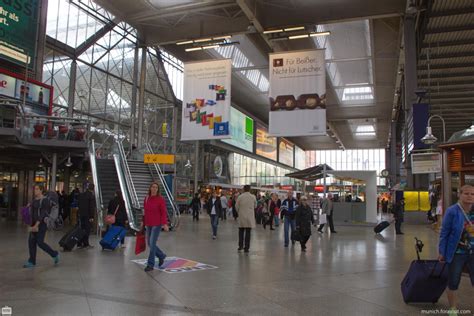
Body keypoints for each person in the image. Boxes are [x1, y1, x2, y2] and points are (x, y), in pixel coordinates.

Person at [438, 185, 474, 314]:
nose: (470, 196)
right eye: (467, 193)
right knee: (453, 280)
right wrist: (442, 251)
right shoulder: (453, 211)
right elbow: (444, 232)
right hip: (457, 252)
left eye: (472, 194)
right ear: (460, 194)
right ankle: (453, 308)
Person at [23, 185, 60, 268]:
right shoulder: (34, 201)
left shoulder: (45, 200)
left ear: (41, 190)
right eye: (34, 189)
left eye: (37, 189)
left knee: (40, 242)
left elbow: (43, 214)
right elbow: (32, 213)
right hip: (33, 224)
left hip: (41, 224)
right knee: (31, 242)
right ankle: (32, 261)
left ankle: (54, 254)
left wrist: (36, 225)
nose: (35, 191)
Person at [143, 182, 169, 272]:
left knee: (152, 244)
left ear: (158, 189)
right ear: (150, 188)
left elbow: (163, 212)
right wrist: (143, 223)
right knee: (150, 244)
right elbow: (145, 212)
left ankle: (150, 264)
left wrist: (164, 224)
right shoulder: (146, 198)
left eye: (156, 187)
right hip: (148, 224)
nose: (154, 189)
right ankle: (161, 255)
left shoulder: (160, 199)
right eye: (153, 187)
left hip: (156, 224)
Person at [236, 185, 256, 253]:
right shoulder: (253, 197)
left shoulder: (240, 197)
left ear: (244, 189)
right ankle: (246, 248)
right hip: (249, 217)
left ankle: (240, 246)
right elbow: (255, 205)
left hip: (242, 216)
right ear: (249, 189)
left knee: (241, 231)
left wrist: (239, 211)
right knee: (248, 232)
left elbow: (236, 206)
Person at [77, 184, 96, 249]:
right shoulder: (91, 196)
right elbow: (91, 207)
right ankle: (86, 244)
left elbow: (79, 204)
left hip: (81, 215)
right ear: (93, 189)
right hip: (87, 215)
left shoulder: (82, 195)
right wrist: (92, 217)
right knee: (87, 230)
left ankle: (79, 243)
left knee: (82, 229)